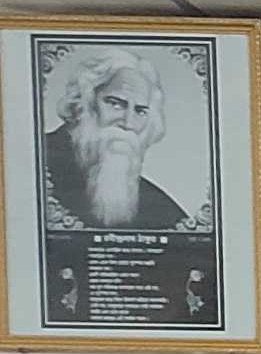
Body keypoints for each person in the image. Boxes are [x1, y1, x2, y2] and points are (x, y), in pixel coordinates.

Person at [40, 43, 191, 230]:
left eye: (140, 111)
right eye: (116, 104)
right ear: (83, 102)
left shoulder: (161, 209)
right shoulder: (33, 163)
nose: (128, 123)